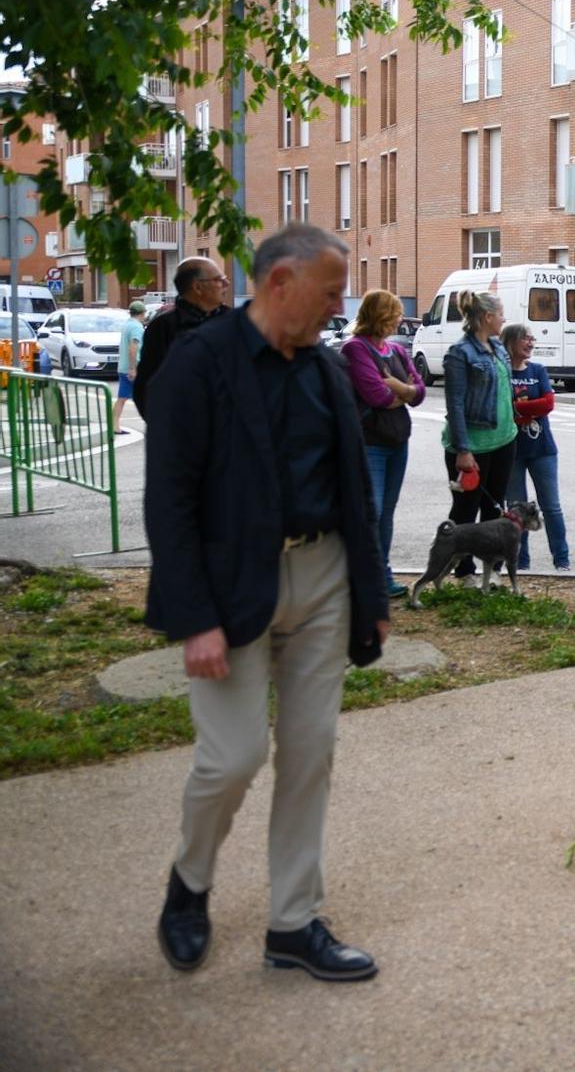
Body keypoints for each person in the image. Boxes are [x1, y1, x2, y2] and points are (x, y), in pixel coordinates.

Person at [146, 223, 387, 982]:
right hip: (229, 587)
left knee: (311, 752)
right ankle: (190, 881)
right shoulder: (199, 363)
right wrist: (194, 617)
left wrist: (371, 592)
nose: (336, 306)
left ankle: (293, 922)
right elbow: (170, 499)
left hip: (323, 578)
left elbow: (356, 491)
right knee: (234, 755)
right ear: (279, 282)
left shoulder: (322, 368)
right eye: (329, 290)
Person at [341, 288, 424, 597]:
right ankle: (360, 577)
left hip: (397, 440)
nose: (399, 319)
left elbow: (420, 393)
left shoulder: (397, 351)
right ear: (380, 315)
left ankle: (382, 573)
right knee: (370, 511)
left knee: (386, 512)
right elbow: (376, 395)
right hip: (370, 442)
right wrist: (404, 393)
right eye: (395, 313)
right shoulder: (356, 349)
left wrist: (399, 388)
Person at [441, 290, 517, 575]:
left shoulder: (498, 348)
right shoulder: (459, 353)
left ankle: (491, 570)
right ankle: (462, 569)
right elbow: (455, 404)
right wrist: (463, 449)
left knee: (494, 510)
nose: (504, 318)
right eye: (500, 314)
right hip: (471, 446)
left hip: (504, 442)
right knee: (465, 511)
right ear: (487, 317)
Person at [502, 322, 571, 571]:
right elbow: (501, 407)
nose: (531, 343)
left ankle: (562, 561)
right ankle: (520, 564)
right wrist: (529, 408)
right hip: (511, 451)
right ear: (511, 342)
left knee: (551, 506)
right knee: (516, 510)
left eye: (532, 339)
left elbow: (548, 404)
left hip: (542, 449)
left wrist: (516, 409)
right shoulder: (502, 372)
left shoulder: (539, 370)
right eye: (526, 339)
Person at [134, 256, 228, 419]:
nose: (226, 284)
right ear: (197, 287)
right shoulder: (163, 328)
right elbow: (147, 388)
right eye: (218, 280)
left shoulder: (233, 322)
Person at [114, 300, 146, 433]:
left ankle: (114, 425)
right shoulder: (136, 327)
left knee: (122, 398)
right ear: (143, 313)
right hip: (133, 368)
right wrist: (133, 368)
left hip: (123, 367)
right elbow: (133, 347)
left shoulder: (127, 324)